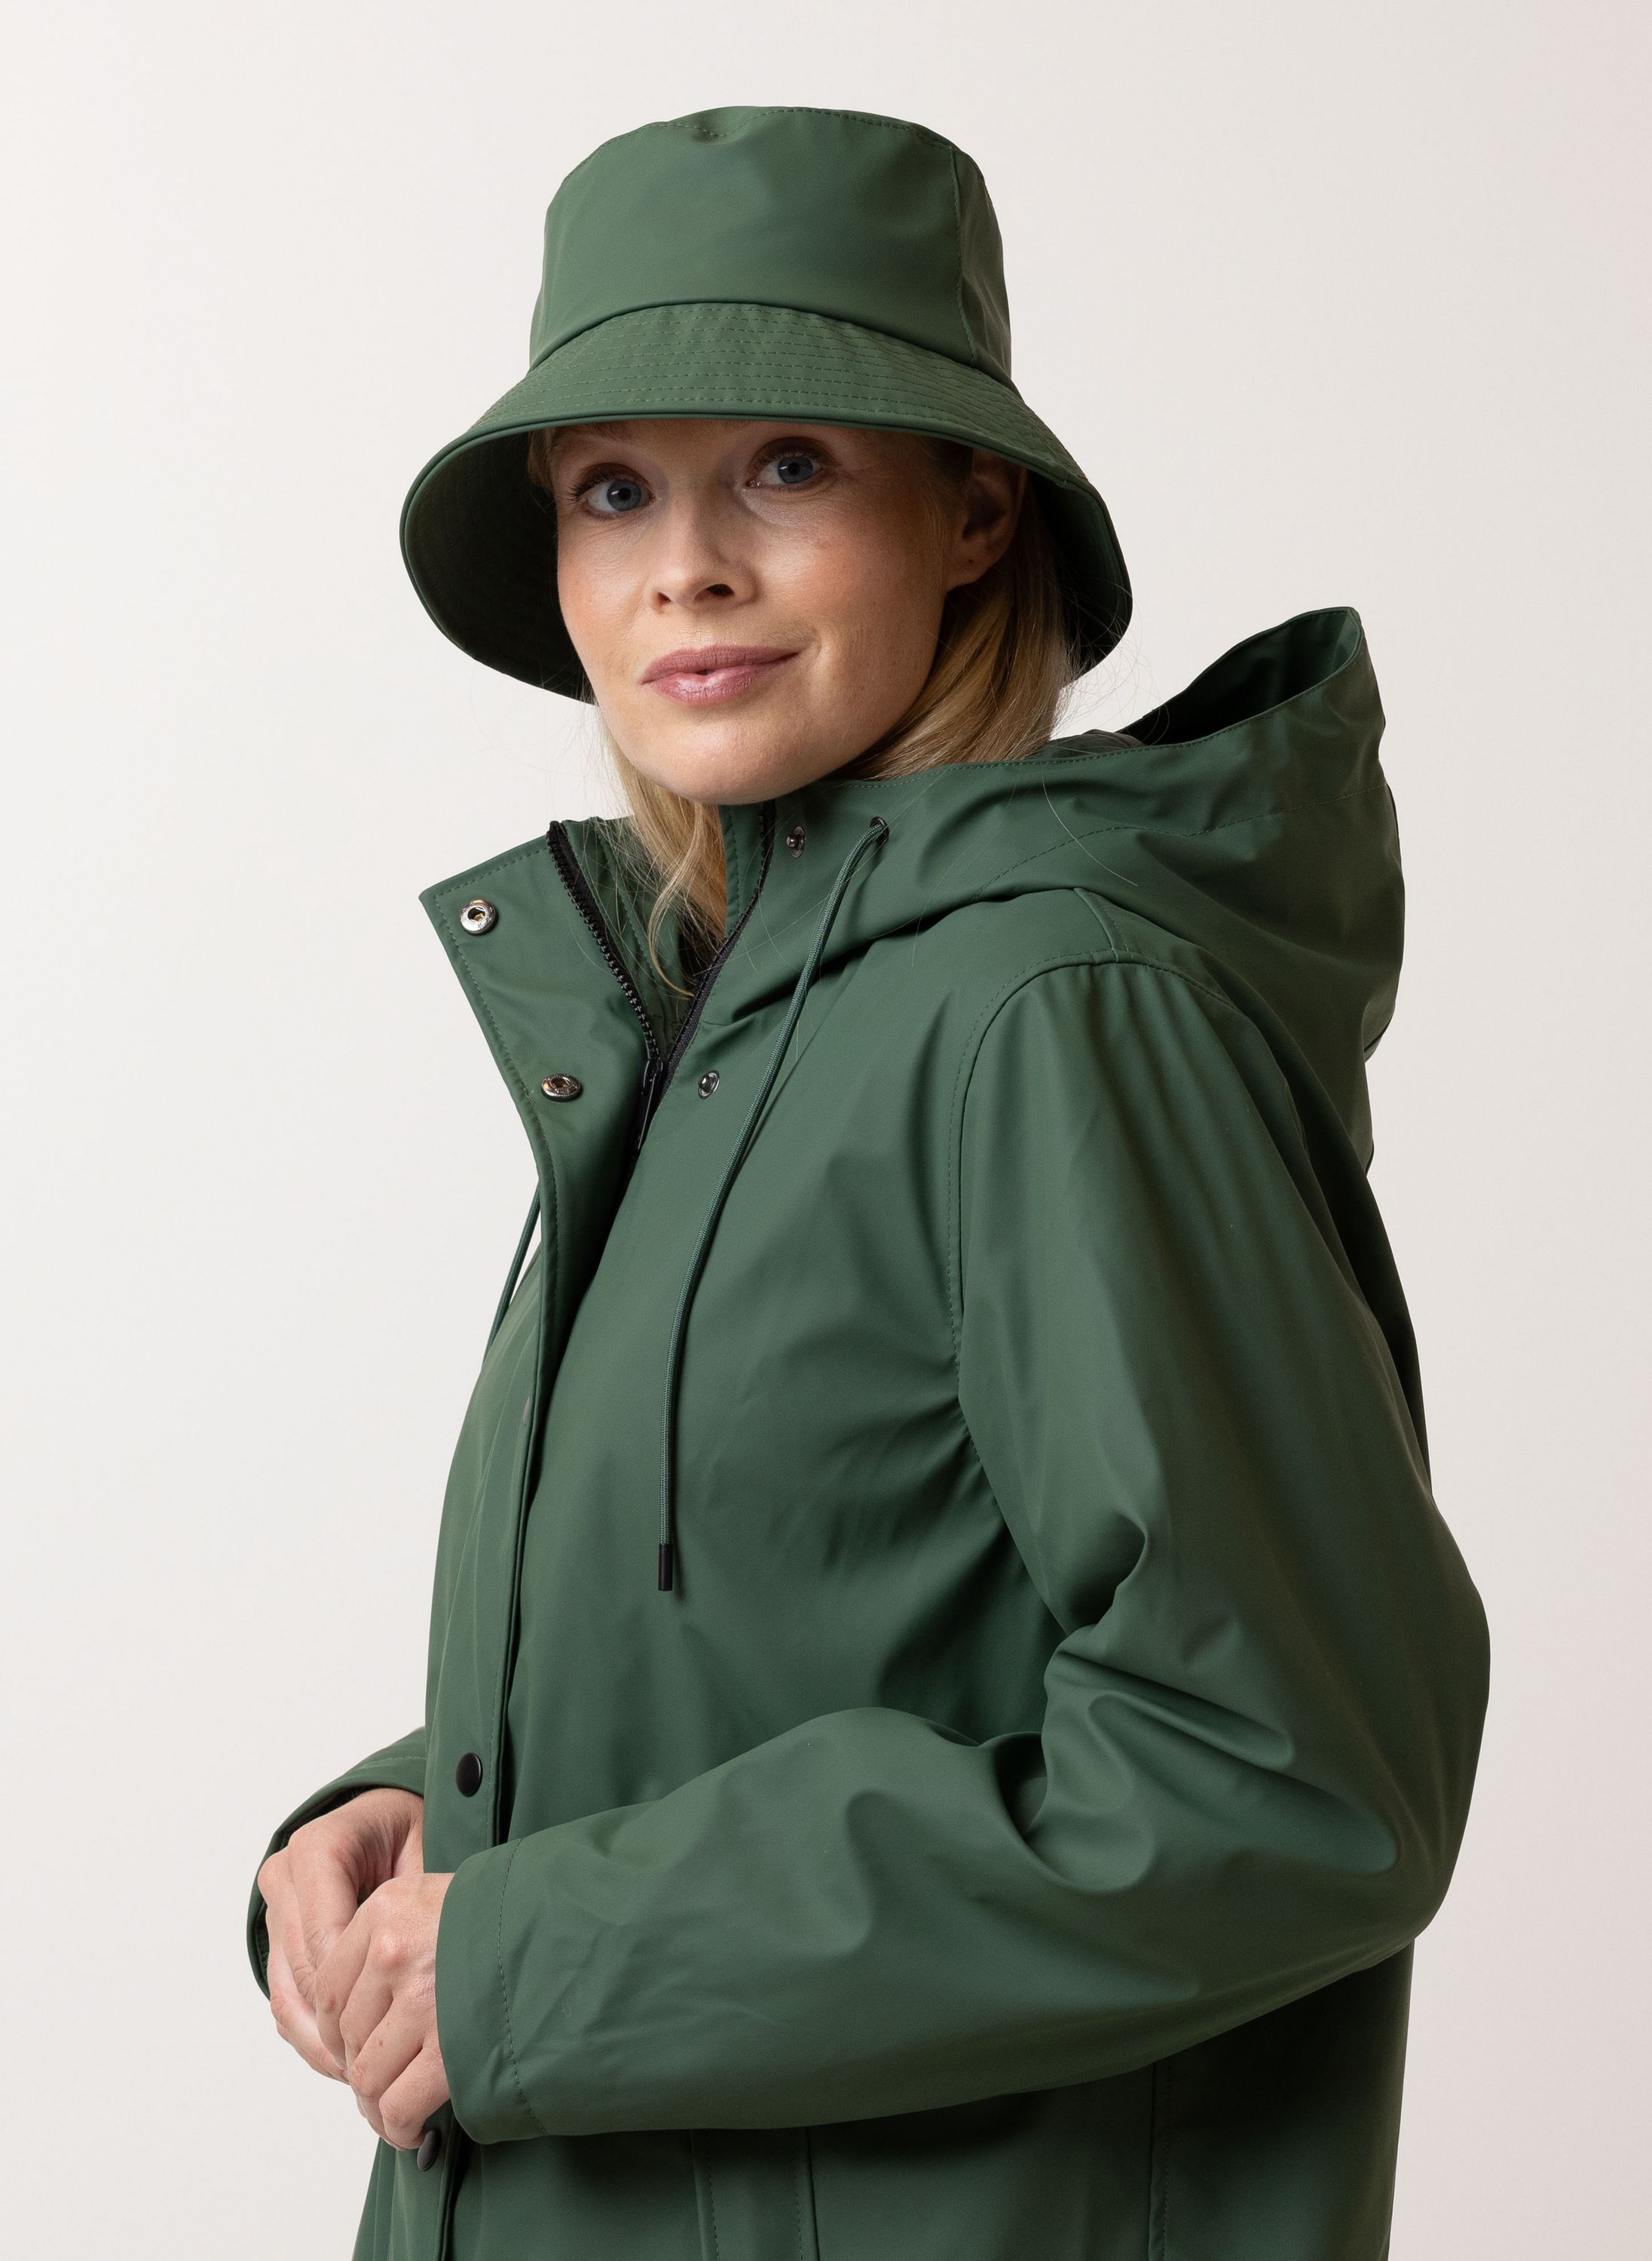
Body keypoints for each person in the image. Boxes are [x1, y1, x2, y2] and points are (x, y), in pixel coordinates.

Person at [248, 106, 1489, 2261]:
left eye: (788, 468)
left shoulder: (1053, 1011)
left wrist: (543, 1957)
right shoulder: (719, 1016)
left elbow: (1287, 1772)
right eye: (612, 490)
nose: (685, 569)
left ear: (975, 511)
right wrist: (418, 1809)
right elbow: (822, 1633)